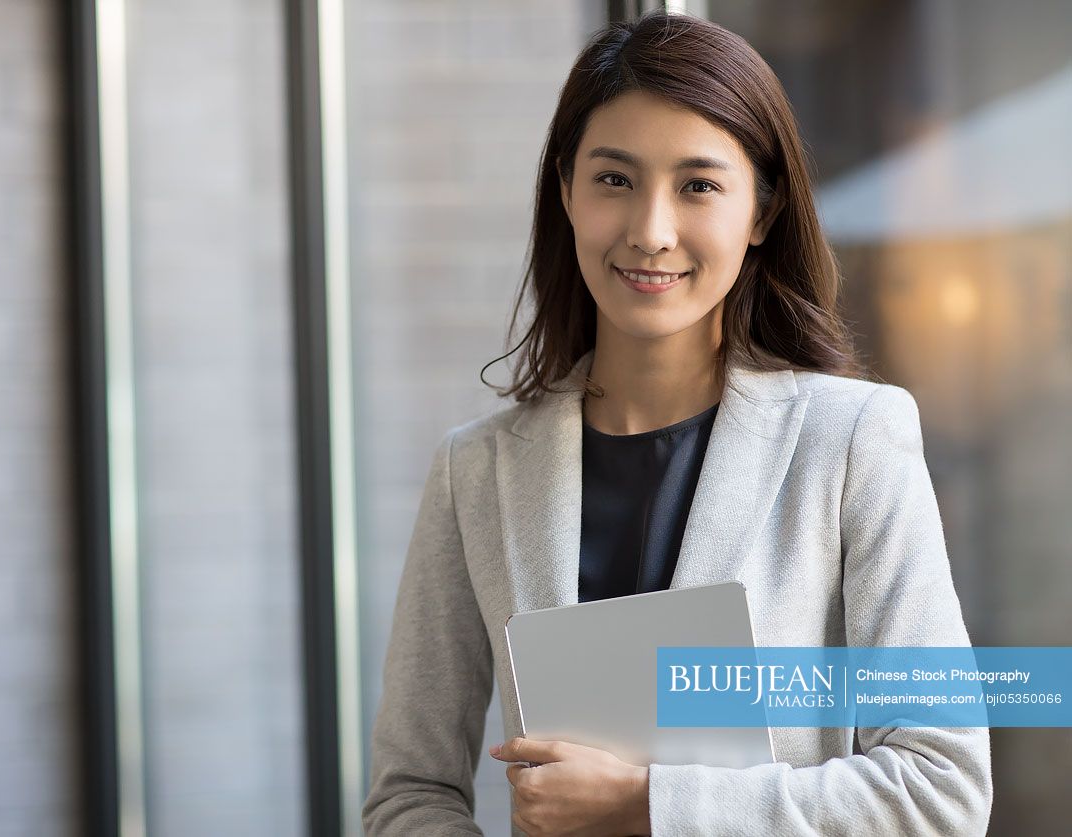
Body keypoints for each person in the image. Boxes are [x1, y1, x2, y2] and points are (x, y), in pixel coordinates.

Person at [361, 11, 992, 836]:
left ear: (760, 213)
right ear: (565, 191)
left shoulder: (851, 442)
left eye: (698, 185)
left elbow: (940, 787)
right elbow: (408, 792)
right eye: (613, 180)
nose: (650, 232)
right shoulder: (476, 472)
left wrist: (644, 802)